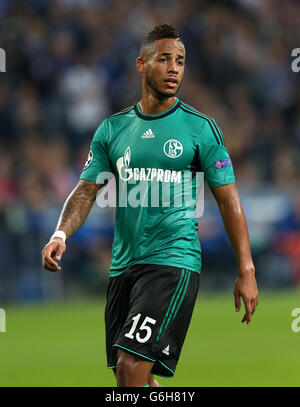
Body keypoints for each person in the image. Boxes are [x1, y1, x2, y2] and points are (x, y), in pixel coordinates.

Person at [41, 24, 259, 387]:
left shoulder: (200, 128)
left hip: (172, 262)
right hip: (123, 268)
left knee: (130, 368)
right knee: (131, 380)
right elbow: (85, 191)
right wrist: (60, 233)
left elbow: (228, 199)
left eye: (181, 61)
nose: (174, 68)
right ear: (142, 64)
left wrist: (246, 269)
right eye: (165, 59)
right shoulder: (112, 130)